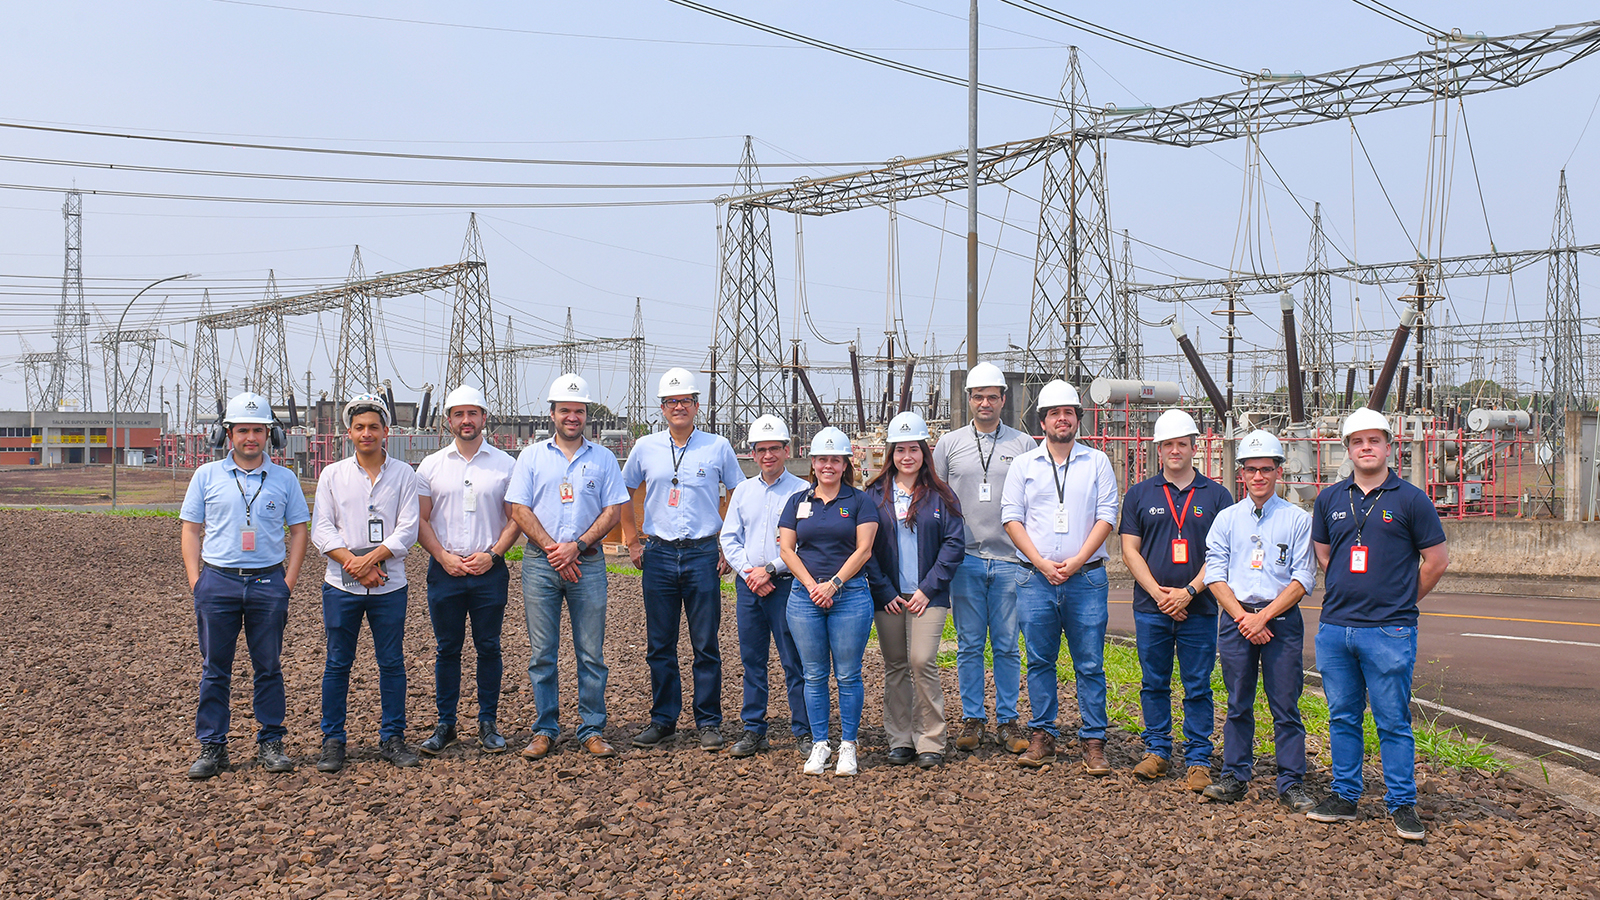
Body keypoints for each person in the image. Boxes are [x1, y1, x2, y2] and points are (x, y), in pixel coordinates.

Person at [1308, 407, 1448, 842]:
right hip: (1336, 628)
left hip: (1389, 629)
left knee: (1392, 720)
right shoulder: (1331, 498)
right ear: (1347, 449)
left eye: (1374, 441)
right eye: (1357, 441)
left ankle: (1401, 803)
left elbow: (1436, 561)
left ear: (1389, 446)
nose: (1365, 448)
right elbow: (1325, 555)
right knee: (1342, 716)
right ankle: (1345, 796)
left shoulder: (1410, 499)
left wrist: (1401, 601)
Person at [179, 392, 310, 779]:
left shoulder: (284, 479)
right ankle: (213, 747)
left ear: (271, 435)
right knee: (214, 669)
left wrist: (287, 581)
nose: (250, 438)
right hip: (217, 582)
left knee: (268, 667)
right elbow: (191, 529)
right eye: (242, 430)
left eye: (258, 430)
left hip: (268, 582)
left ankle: (271, 742)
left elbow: (299, 531)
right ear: (227, 434)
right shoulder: (206, 476)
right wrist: (195, 581)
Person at [620, 367, 746, 751]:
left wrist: (727, 546)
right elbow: (623, 491)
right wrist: (632, 541)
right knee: (660, 644)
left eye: (685, 401)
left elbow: (738, 495)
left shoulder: (717, 446)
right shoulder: (645, 447)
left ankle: (708, 721)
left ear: (696, 406)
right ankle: (664, 719)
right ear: (662, 408)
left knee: (705, 643)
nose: (679, 407)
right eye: (672, 402)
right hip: (657, 554)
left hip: (703, 554)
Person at [507, 374, 629, 760]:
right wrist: (553, 549)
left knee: (591, 653)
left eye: (578, 410)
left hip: (588, 564)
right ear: (552, 414)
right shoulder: (530, 456)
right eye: (565, 410)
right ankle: (545, 729)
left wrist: (576, 547)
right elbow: (518, 509)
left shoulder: (603, 458)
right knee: (542, 653)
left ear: (586, 414)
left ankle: (591, 727)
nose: (572, 417)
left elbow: (613, 511)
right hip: (541, 565)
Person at [1001, 379, 1119, 775]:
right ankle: (1043, 735)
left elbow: (1107, 516)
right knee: (1039, 661)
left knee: (1089, 662)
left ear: (1077, 419)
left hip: (1085, 578)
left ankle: (1094, 740)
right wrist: (1041, 563)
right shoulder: (1024, 465)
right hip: (1034, 578)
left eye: (1068, 412)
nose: (1062, 419)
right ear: (1043, 421)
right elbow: (1011, 518)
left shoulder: (1097, 462)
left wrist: (1076, 559)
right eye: (1055, 413)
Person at [1118, 408, 1234, 793]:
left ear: (1194, 446)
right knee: (1154, 683)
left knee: (1197, 685)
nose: (1174, 451)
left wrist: (1188, 592)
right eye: (1167, 444)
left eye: (1181, 444)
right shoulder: (1140, 494)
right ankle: (1157, 750)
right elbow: (1130, 550)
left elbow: (1221, 555)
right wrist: (1158, 593)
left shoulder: (1217, 496)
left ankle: (1198, 758)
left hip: (1198, 608)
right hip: (1152, 608)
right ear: (1159, 449)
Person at [1201, 430, 1317, 812]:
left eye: (1266, 469)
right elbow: (1215, 574)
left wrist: (1263, 616)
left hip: (1279, 620)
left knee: (1285, 704)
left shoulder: (1297, 520)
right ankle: (1235, 774)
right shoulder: (1226, 519)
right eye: (1251, 470)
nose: (1258, 477)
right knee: (1238, 702)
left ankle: (1291, 782)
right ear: (1241, 474)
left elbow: (1303, 579)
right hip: (1236, 619)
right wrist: (1243, 617)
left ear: (1278, 471)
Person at [310, 393, 423, 772]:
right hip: (341, 586)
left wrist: (371, 560)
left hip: (389, 585)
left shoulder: (404, 474)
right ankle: (333, 741)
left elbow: (408, 529)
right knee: (337, 663)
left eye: (374, 426)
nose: (367, 433)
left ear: (386, 431)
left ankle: (393, 737)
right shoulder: (332, 475)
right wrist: (355, 566)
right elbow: (322, 530)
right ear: (349, 432)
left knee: (391, 662)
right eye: (359, 427)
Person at [932, 361, 1037, 754]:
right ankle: (973, 717)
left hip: (1011, 561)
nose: (986, 403)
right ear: (969, 400)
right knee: (970, 644)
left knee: (1008, 644)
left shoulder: (1024, 445)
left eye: (993, 396)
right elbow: (937, 499)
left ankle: (1008, 720)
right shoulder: (950, 444)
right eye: (979, 396)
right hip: (966, 560)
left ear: (1003, 400)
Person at [414, 386, 520, 757]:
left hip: (489, 571)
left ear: (483, 418)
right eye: (458, 414)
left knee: (489, 647)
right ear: (449, 421)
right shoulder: (431, 466)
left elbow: (515, 520)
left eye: (472, 414)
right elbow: (421, 520)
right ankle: (446, 724)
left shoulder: (505, 465)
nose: (466, 421)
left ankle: (488, 723)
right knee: (447, 649)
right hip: (446, 571)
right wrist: (443, 556)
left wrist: (493, 555)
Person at [865, 411, 965, 769]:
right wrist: (885, 589)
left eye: (914, 449)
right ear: (890, 453)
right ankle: (900, 739)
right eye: (900, 450)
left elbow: (954, 544)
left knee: (921, 662)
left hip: (928, 596)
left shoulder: (941, 494)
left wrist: (927, 588)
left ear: (925, 452)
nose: (907, 457)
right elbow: (866, 549)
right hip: (889, 597)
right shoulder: (874, 495)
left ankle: (931, 741)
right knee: (894, 666)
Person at [778, 427, 880, 776]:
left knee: (849, 675)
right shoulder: (797, 501)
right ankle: (820, 744)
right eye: (822, 459)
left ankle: (848, 746)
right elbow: (786, 550)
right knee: (814, 674)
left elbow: (864, 549)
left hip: (849, 595)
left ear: (845, 463)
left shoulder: (859, 501)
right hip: (805, 597)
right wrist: (811, 585)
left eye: (835, 460)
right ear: (813, 462)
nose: (828, 466)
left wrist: (834, 584)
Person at [719, 414, 811, 758]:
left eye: (775, 448)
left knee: (794, 661)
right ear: (753, 454)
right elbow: (729, 538)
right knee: (752, 660)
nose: (768, 455)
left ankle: (804, 730)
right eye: (761, 449)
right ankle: (754, 729)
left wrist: (770, 570)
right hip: (749, 588)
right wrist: (749, 573)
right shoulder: (743, 491)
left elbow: (806, 543)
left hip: (788, 585)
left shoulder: (803, 491)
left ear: (788, 451)